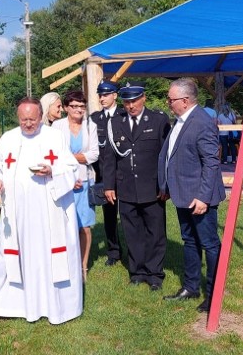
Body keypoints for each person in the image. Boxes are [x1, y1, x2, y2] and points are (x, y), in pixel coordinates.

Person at [0, 97, 82, 324]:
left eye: (33, 119)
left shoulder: (54, 137)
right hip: (18, 214)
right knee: (5, 257)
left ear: (40, 116)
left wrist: (52, 171)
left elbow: (71, 168)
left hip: (49, 212)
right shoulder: (8, 138)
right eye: (24, 119)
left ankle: (55, 306)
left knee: (50, 257)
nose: (28, 124)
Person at [159, 78, 227, 314]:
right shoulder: (180, 121)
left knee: (209, 244)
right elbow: (172, 156)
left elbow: (211, 163)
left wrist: (203, 198)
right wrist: (165, 185)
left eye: (171, 99)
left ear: (185, 101)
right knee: (190, 241)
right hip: (182, 194)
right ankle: (191, 287)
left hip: (199, 197)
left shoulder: (202, 123)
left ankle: (214, 294)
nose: (168, 103)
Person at [102, 81, 171, 291]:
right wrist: (108, 185)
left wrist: (165, 185)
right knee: (132, 232)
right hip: (126, 187)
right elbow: (109, 157)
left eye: (134, 101)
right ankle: (137, 271)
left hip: (152, 188)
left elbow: (166, 156)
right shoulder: (116, 122)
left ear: (144, 98)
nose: (130, 106)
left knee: (155, 232)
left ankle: (155, 273)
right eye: (126, 101)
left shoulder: (159, 120)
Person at [52, 90, 99, 279]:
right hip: (63, 181)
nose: (79, 110)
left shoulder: (91, 126)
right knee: (62, 224)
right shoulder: (57, 126)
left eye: (82, 106)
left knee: (84, 226)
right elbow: (53, 154)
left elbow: (94, 154)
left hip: (85, 180)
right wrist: (74, 161)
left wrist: (69, 157)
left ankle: (82, 266)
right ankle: (64, 263)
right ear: (65, 108)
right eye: (74, 106)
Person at [90, 80, 125, 267]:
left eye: (106, 94)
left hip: (124, 176)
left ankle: (132, 251)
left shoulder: (124, 115)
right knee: (109, 217)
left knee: (127, 216)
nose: (102, 98)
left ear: (115, 95)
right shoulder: (95, 119)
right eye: (100, 95)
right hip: (104, 176)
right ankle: (114, 251)